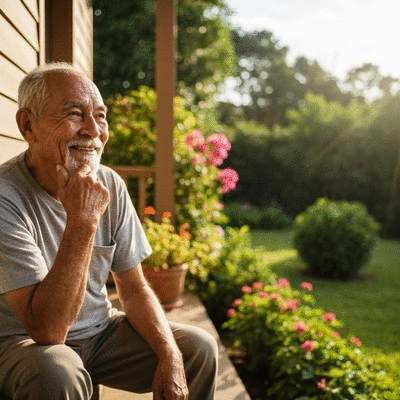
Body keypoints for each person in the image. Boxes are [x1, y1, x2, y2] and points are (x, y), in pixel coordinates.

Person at [0, 63, 218, 400]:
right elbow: (47, 329)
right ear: (29, 126)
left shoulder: (109, 183)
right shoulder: (5, 196)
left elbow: (132, 289)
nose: (93, 130)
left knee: (197, 350)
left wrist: (170, 354)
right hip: (23, 342)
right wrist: (83, 221)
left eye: (100, 117)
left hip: (100, 334)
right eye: (75, 114)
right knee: (57, 369)